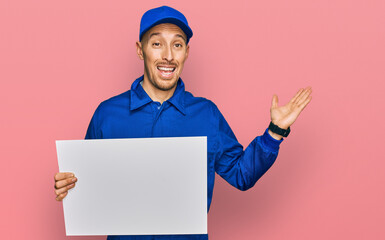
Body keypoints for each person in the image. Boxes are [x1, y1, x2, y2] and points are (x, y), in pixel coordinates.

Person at [54, 5, 312, 240]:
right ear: (140, 49)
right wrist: (69, 186)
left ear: (186, 52)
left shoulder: (207, 114)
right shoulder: (107, 115)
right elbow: (89, 185)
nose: (168, 56)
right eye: (157, 44)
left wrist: (275, 132)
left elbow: (241, 175)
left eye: (177, 45)